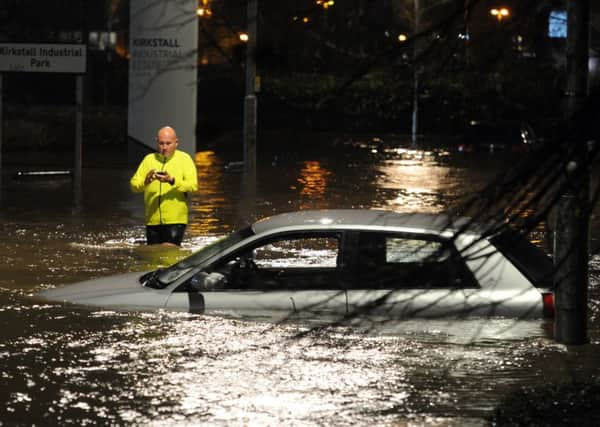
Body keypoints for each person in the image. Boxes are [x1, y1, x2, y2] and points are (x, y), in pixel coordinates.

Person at [130, 126, 198, 245]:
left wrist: (172, 180)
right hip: (152, 220)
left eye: (168, 143)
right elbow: (134, 185)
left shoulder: (184, 159)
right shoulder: (148, 159)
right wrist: (145, 182)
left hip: (175, 220)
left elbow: (193, 186)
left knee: (169, 252)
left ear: (176, 142)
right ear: (157, 142)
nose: (164, 147)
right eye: (161, 143)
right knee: (154, 257)